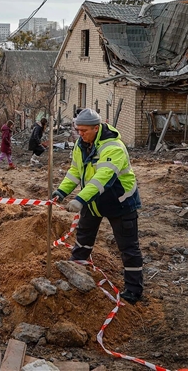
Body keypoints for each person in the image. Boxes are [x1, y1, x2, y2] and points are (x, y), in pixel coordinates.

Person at [51, 108, 144, 304]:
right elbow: (75, 171)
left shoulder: (113, 148)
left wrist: (80, 199)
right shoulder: (81, 144)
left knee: (128, 248)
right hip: (94, 202)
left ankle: (133, 290)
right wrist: (61, 191)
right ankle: (75, 270)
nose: (80, 134)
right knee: (83, 238)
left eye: (84, 131)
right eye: (78, 130)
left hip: (121, 203)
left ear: (96, 127)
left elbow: (103, 179)